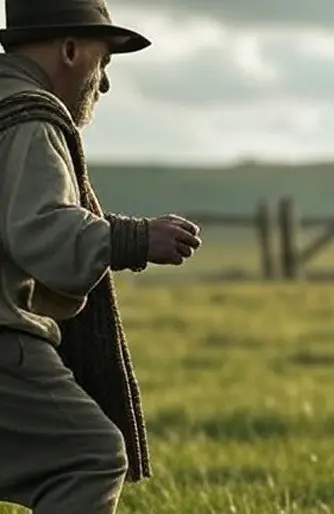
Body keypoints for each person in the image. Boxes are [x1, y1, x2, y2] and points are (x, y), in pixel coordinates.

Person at [0, 0, 202, 512]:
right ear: (70, 50)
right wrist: (134, 239)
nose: (105, 83)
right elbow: (42, 231)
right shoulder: (27, 116)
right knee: (90, 455)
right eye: (104, 61)